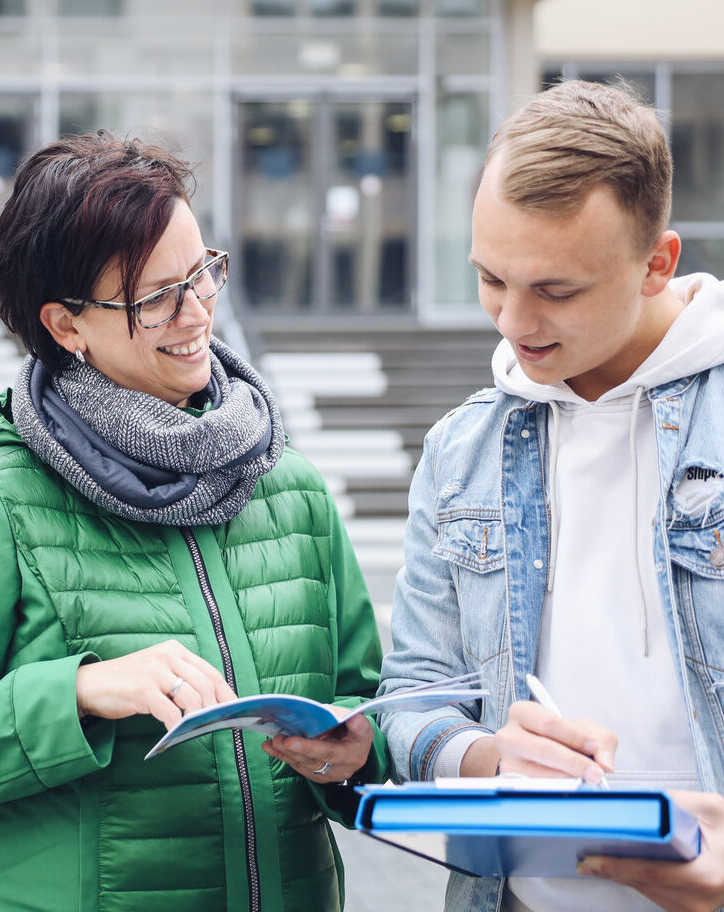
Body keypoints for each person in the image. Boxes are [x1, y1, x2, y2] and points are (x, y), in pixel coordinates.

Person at [0, 131, 388, 912]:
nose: (196, 311)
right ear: (67, 327)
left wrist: (356, 757)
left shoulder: (289, 486)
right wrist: (81, 691)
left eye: (203, 274)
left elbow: (361, 713)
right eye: (154, 297)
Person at [377, 79, 724, 912]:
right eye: (491, 278)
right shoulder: (461, 449)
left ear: (658, 263)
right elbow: (413, 697)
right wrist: (490, 758)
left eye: (555, 290)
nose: (512, 319)